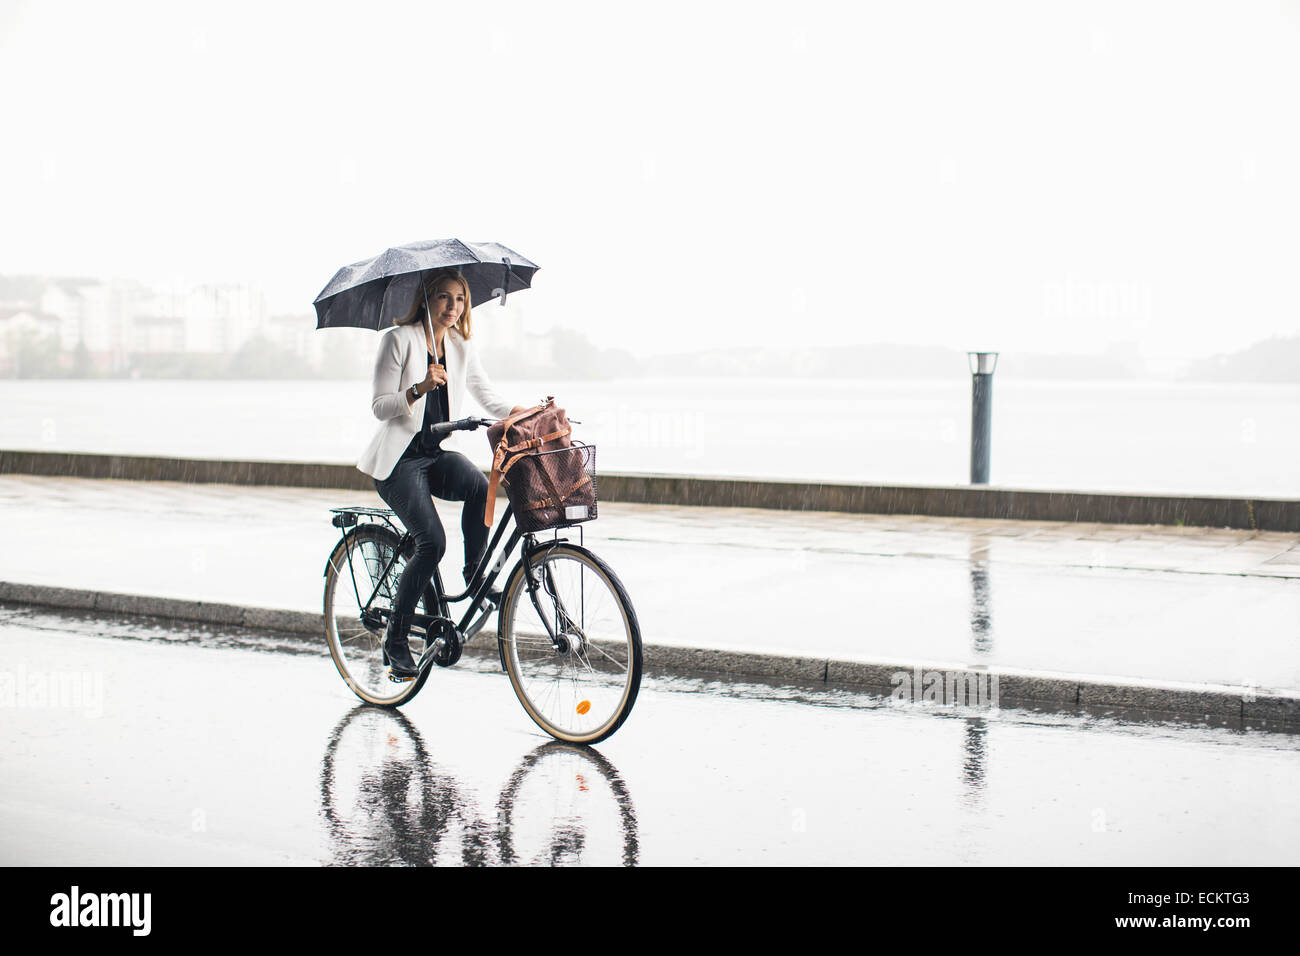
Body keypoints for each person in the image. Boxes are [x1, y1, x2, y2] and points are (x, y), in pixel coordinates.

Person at [357, 269, 524, 680]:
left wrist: (517, 412)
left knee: (480, 489)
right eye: (445, 298)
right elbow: (379, 406)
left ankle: (473, 572)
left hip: (432, 454)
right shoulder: (398, 340)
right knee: (431, 542)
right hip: (397, 462)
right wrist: (417, 389)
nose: (453, 308)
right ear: (427, 299)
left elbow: (484, 390)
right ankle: (395, 641)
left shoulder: (460, 345)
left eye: (461, 300)